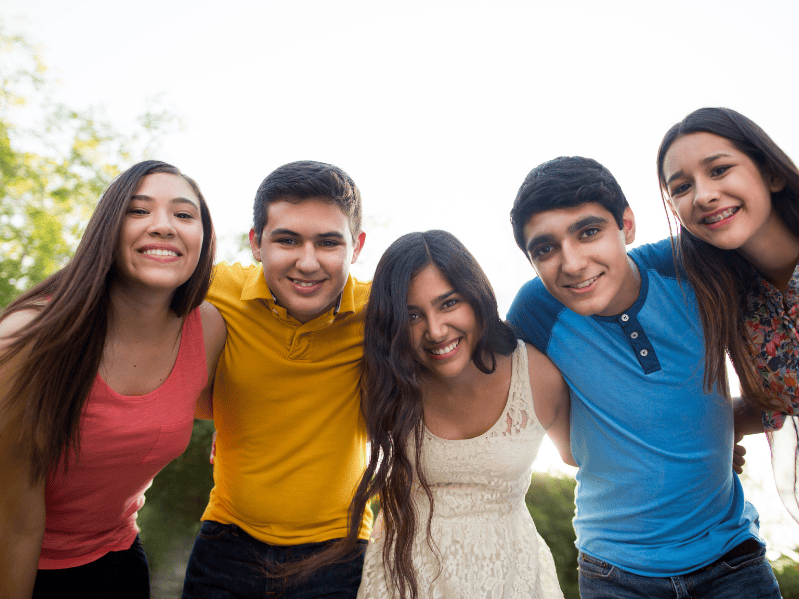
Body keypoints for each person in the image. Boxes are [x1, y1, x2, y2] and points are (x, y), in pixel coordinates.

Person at [507, 156, 781, 598]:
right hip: (615, 574)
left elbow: (777, 384)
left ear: (627, 225)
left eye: (588, 232)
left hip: (731, 559)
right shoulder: (534, 313)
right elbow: (571, 449)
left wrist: (713, 435)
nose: (572, 263)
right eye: (545, 249)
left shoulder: (691, 267)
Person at [286, 229, 571, 599]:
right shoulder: (384, 380)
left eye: (448, 303)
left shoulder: (536, 375)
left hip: (510, 579)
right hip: (404, 580)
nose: (435, 330)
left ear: (476, 296)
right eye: (412, 315)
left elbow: (585, 459)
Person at [0, 160, 226, 599]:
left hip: (115, 558)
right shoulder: (28, 340)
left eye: (184, 214)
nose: (163, 226)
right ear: (106, 229)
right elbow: (15, 525)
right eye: (138, 210)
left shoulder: (209, 329)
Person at [181, 160, 370, 599]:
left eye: (328, 242)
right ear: (256, 243)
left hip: (340, 554)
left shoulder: (380, 311)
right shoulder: (215, 290)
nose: (308, 262)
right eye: (287, 240)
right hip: (227, 542)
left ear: (356, 246)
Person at [657, 106, 799, 523]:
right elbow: (780, 399)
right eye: (682, 187)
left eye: (719, 170)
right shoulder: (728, 300)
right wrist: (715, 434)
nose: (703, 195)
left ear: (771, 173)